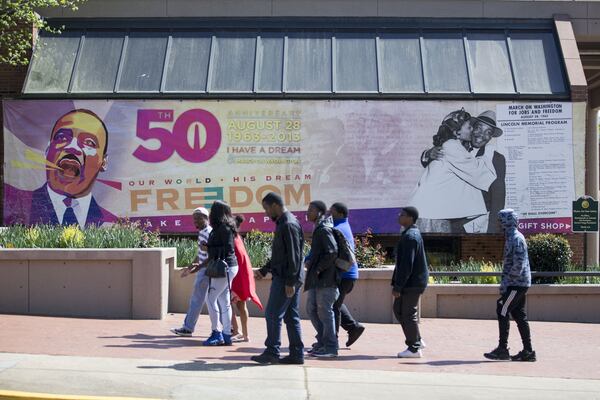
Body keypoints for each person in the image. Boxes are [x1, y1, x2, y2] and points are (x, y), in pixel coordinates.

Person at [5, 109, 116, 227]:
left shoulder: (111, 222)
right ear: (47, 151)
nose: (72, 147)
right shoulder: (20, 207)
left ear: (103, 162)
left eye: (89, 143)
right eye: (62, 138)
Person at [409, 109, 496, 232]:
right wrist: (488, 154)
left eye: (488, 132)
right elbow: (478, 173)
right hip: (430, 213)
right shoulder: (452, 145)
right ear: (457, 132)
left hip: (438, 212)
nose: (474, 132)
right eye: (470, 127)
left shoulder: (454, 145)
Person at [251, 192, 305, 365]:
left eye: (266, 209)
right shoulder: (285, 222)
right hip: (288, 277)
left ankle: (272, 351)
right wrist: (265, 269)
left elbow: (294, 257)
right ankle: (296, 354)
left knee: (273, 313)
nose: (266, 213)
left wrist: (290, 282)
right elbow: (281, 255)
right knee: (291, 317)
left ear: (275, 205)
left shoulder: (288, 224)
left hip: (286, 279)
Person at [484, 209, 536, 362]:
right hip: (517, 284)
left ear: (507, 221)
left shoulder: (515, 238)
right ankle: (528, 351)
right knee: (519, 315)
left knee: (502, 308)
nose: (498, 224)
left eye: (500, 221)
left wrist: (507, 283)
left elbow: (518, 265)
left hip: (516, 284)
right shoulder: (511, 237)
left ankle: (502, 349)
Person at [392, 206, 429, 358]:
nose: (399, 216)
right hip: (412, 282)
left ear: (411, 218)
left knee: (407, 313)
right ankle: (417, 340)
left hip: (412, 283)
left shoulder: (410, 237)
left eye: (402, 215)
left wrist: (398, 286)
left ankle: (414, 348)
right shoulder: (410, 234)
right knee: (399, 310)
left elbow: (407, 265)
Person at [170, 207, 212, 337]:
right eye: (194, 219)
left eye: (198, 218)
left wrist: (198, 268)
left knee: (199, 300)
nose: (196, 221)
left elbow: (212, 255)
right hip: (204, 269)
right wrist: (190, 267)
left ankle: (188, 328)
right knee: (204, 300)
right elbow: (200, 253)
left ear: (206, 218)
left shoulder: (209, 232)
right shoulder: (202, 232)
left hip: (207, 270)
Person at [305, 200, 339, 358]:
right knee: (312, 310)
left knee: (325, 312)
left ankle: (331, 347)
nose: (307, 212)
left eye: (311, 210)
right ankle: (322, 342)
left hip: (326, 280)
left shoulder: (324, 229)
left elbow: (332, 252)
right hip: (317, 279)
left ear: (319, 212)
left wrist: (318, 268)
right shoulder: (318, 228)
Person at [203, 200, 239, 346]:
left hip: (224, 267)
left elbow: (227, 249)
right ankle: (226, 334)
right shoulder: (223, 227)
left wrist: (208, 249)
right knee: (223, 300)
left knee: (210, 299)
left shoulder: (223, 228)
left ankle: (216, 332)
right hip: (228, 267)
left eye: (212, 210)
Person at [329, 202, 365, 347]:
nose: (330, 215)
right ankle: (353, 327)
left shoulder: (338, 229)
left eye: (332, 212)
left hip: (343, 274)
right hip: (348, 275)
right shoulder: (342, 226)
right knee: (335, 303)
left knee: (333, 306)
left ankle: (333, 340)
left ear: (341, 214)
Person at [230, 214, 263, 342]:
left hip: (236, 278)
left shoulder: (232, 239)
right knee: (241, 306)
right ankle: (245, 334)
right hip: (243, 277)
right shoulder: (238, 238)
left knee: (228, 305)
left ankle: (237, 330)